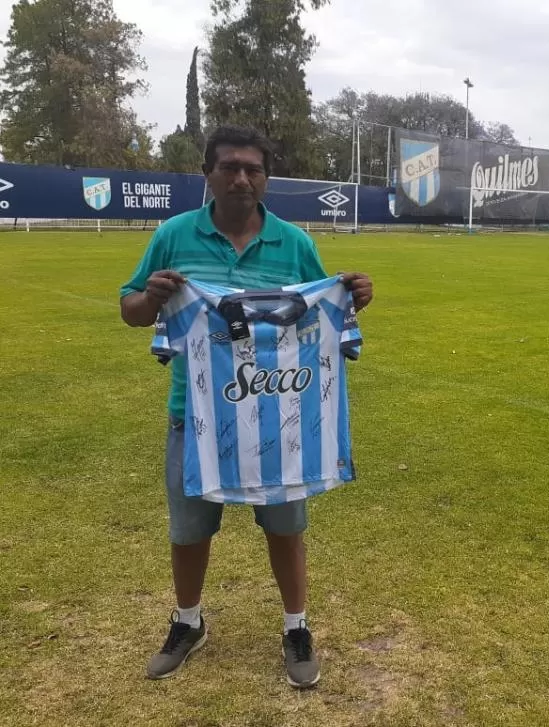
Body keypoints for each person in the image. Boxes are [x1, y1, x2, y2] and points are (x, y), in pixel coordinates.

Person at [119, 124, 373, 688]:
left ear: (266, 179)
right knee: (190, 529)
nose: (241, 178)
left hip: (283, 414)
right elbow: (131, 310)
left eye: (252, 169)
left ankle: (296, 627)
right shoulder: (173, 235)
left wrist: (352, 299)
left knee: (285, 527)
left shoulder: (294, 243)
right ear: (208, 174)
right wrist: (151, 298)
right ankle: (188, 622)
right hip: (196, 414)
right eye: (229, 167)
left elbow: (322, 313)